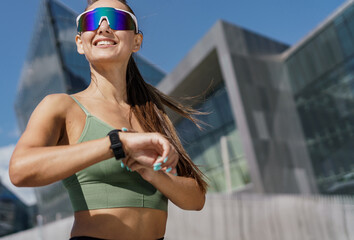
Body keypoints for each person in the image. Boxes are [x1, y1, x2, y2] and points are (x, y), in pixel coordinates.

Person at [9, 0, 208, 239]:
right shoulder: (60, 106)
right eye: (92, 20)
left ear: (136, 41)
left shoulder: (152, 113)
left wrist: (153, 173)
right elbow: (19, 170)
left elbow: (196, 200)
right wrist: (117, 144)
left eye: (118, 20)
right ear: (79, 43)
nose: (104, 27)